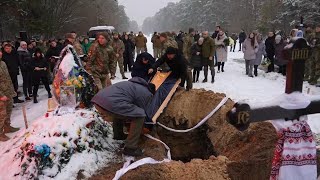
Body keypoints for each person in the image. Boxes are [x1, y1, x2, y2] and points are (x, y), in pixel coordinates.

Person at [92, 77, 155, 157]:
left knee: (120, 111)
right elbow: (143, 110)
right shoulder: (147, 93)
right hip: (110, 103)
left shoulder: (131, 85)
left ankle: (118, 134)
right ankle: (130, 148)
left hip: (98, 99)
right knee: (140, 115)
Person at [0, 50, 20, 141]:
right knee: (1, 114)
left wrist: (12, 91)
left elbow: (7, 78)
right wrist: (1, 95)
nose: (0, 53)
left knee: (8, 111)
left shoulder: (3, 63)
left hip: (8, 92)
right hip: (1, 95)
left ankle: (7, 127)